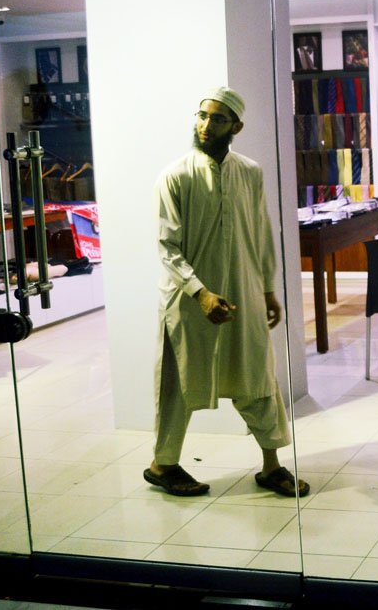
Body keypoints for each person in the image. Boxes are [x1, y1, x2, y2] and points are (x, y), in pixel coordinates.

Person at [144, 86, 308, 498]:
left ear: (236, 126)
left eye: (216, 118)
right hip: (189, 299)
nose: (205, 125)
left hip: (243, 294)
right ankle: (162, 464)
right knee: (179, 380)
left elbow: (261, 234)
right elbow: (167, 246)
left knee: (256, 376)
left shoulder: (249, 172)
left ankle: (271, 466)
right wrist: (200, 293)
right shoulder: (176, 174)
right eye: (201, 115)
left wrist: (266, 290)